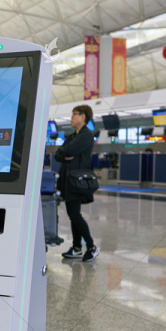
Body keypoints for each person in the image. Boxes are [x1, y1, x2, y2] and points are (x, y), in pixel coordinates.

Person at [55, 104, 98, 263]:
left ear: (83, 117)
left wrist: (65, 154)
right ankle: (77, 247)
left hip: (78, 181)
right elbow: (58, 154)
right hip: (69, 180)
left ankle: (91, 246)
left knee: (74, 214)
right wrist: (63, 154)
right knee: (74, 214)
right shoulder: (73, 135)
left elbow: (69, 151)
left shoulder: (86, 135)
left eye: (75, 114)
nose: (71, 117)